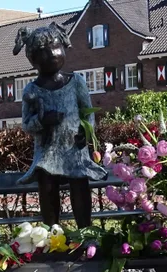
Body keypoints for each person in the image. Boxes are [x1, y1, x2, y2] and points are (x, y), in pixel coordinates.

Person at [13, 22, 107, 228]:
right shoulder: (32, 90)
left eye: (57, 47)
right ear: (33, 59)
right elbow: (27, 125)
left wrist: (86, 132)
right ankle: (51, 232)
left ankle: (85, 231)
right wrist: (42, 121)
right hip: (47, 152)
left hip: (74, 148)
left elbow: (87, 112)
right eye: (45, 52)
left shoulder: (76, 82)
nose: (54, 54)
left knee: (79, 184)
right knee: (47, 186)